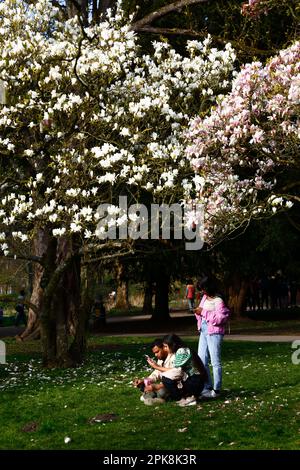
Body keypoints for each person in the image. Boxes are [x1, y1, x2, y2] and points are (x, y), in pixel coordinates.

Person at [147, 333, 207, 407]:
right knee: (165, 380)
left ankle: (182, 398)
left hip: (194, 381)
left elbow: (177, 371)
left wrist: (156, 367)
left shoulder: (182, 351)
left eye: (166, 346)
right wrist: (148, 379)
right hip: (191, 380)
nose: (165, 349)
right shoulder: (180, 351)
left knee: (166, 380)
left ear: (172, 345)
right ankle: (186, 397)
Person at [195, 277, 230, 399]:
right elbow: (201, 312)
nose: (202, 291)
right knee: (201, 360)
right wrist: (198, 313)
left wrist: (203, 312)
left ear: (209, 287)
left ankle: (217, 389)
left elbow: (221, 318)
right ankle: (207, 386)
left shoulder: (218, 300)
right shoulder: (204, 298)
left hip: (214, 332)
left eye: (203, 288)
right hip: (204, 330)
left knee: (215, 362)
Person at [133, 338, 175, 405]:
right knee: (144, 386)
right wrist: (144, 381)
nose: (156, 355)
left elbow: (175, 376)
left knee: (162, 391)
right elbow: (157, 373)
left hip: (172, 385)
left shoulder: (173, 357)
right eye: (154, 353)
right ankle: (153, 396)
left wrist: (158, 386)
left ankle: (158, 398)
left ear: (164, 348)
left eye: (157, 352)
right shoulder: (161, 359)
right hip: (164, 384)